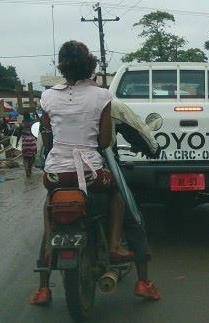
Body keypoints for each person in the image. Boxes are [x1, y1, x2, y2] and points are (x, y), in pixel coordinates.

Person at [30, 40, 160, 305]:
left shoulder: (48, 96)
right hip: (91, 173)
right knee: (122, 197)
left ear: (62, 67)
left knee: (51, 203)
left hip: (55, 174)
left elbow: (47, 133)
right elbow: (103, 142)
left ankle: (43, 284)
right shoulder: (103, 97)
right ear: (91, 67)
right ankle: (129, 264)